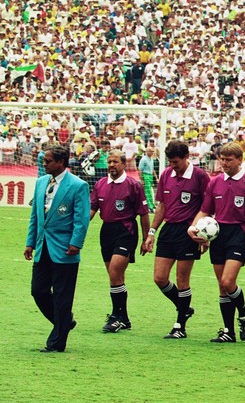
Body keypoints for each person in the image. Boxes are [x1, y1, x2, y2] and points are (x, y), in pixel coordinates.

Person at [188, 142, 245, 342]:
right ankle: (228, 331)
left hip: (239, 234)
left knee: (228, 281)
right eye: (222, 159)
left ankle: (244, 313)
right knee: (222, 287)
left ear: (240, 160)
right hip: (218, 235)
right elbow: (206, 210)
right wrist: (193, 228)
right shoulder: (215, 182)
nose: (224, 163)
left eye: (229, 159)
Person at [25, 145, 91, 353]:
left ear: (61, 162)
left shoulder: (78, 185)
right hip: (42, 246)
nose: (44, 164)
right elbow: (35, 216)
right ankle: (64, 321)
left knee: (63, 295)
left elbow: (81, 220)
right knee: (38, 291)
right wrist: (30, 242)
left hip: (64, 249)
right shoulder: (40, 183)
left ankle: (56, 343)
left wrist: (76, 243)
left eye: (48, 161)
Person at [145, 140, 211, 339]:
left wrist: (204, 236)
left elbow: (207, 207)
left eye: (176, 162)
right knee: (159, 278)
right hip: (168, 230)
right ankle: (184, 307)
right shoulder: (166, 174)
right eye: (170, 162)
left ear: (186, 157)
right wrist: (151, 232)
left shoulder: (200, 176)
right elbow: (162, 206)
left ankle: (180, 325)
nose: (173, 166)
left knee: (183, 280)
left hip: (188, 232)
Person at [90, 150, 151, 332]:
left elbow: (143, 214)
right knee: (115, 276)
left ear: (124, 164)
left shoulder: (133, 185)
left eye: (115, 162)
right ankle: (123, 317)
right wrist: (76, 229)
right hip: (106, 231)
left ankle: (116, 317)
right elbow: (91, 210)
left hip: (126, 230)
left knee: (115, 271)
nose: (111, 165)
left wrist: (147, 238)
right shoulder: (101, 184)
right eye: (109, 162)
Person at [138, 147, 157, 212]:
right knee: (148, 192)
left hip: (150, 176)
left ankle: (150, 205)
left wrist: (156, 177)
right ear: (147, 151)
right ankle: (150, 207)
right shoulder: (144, 159)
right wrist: (142, 179)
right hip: (145, 176)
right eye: (151, 151)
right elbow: (140, 170)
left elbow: (153, 169)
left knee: (149, 191)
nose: (152, 153)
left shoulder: (151, 159)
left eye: (152, 151)